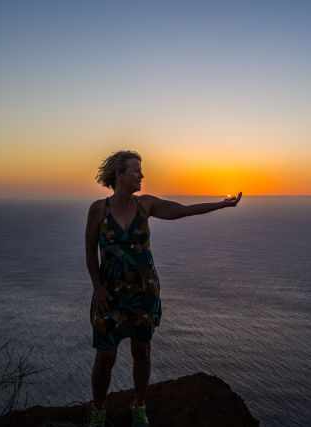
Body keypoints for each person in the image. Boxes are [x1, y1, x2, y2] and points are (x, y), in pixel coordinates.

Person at [85, 150, 242, 427]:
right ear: (119, 175)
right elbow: (90, 253)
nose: (141, 175)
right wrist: (97, 287)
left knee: (142, 352)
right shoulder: (99, 209)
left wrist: (221, 205)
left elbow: (182, 210)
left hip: (144, 293)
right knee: (105, 357)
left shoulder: (145, 206)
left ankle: (139, 406)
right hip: (110, 295)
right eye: (136, 171)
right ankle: (98, 410)